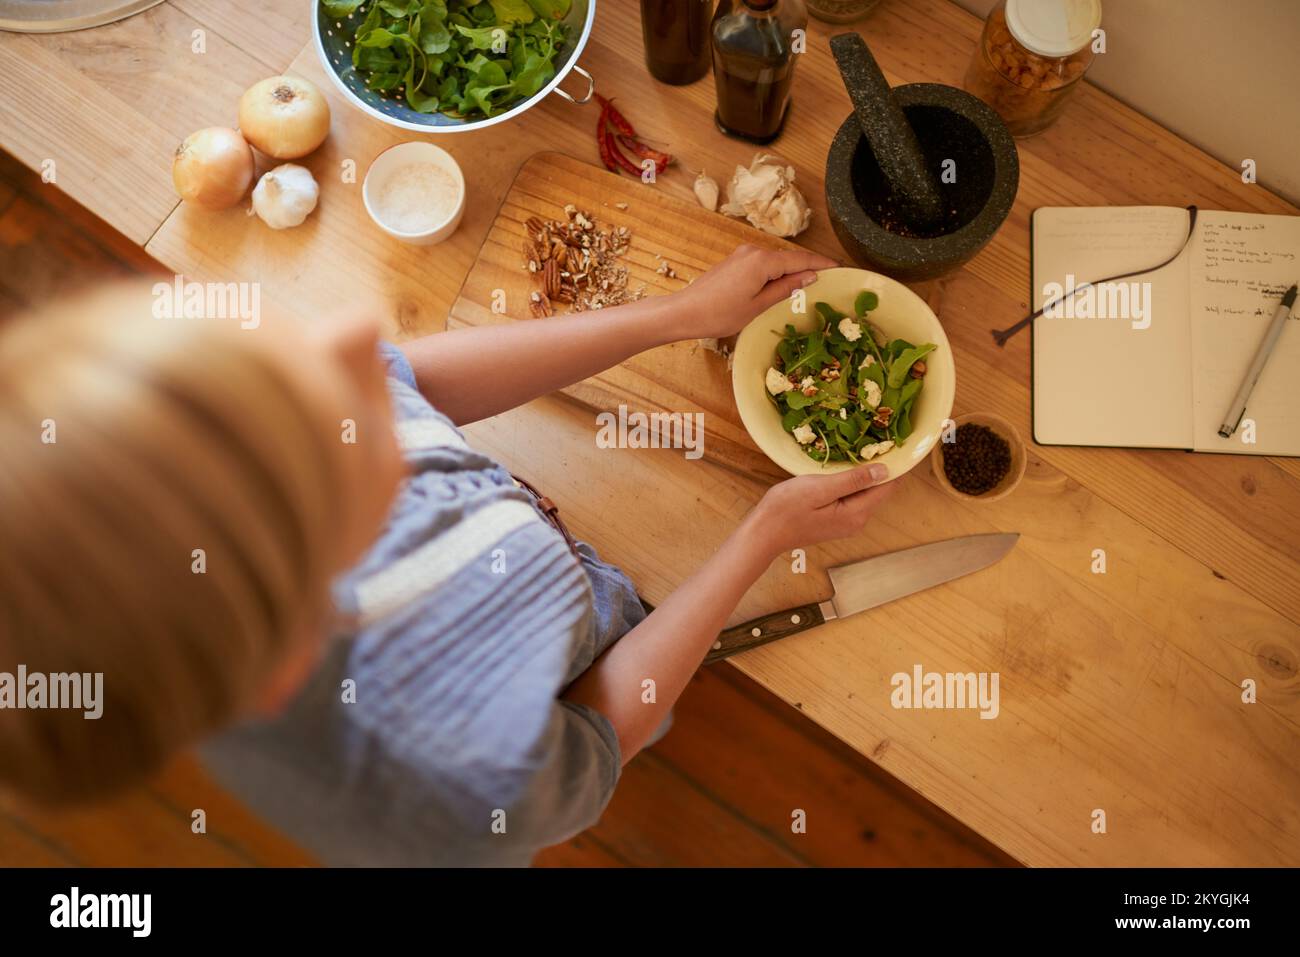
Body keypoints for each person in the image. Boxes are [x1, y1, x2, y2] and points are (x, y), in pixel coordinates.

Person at [0, 245, 895, 865]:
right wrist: (760, 539)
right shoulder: (460, 786)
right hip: (604, 653)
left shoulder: (240, 504)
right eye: (312, 422)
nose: (355, 338)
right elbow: (603, 722)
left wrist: (678, 314)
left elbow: (409, 381)